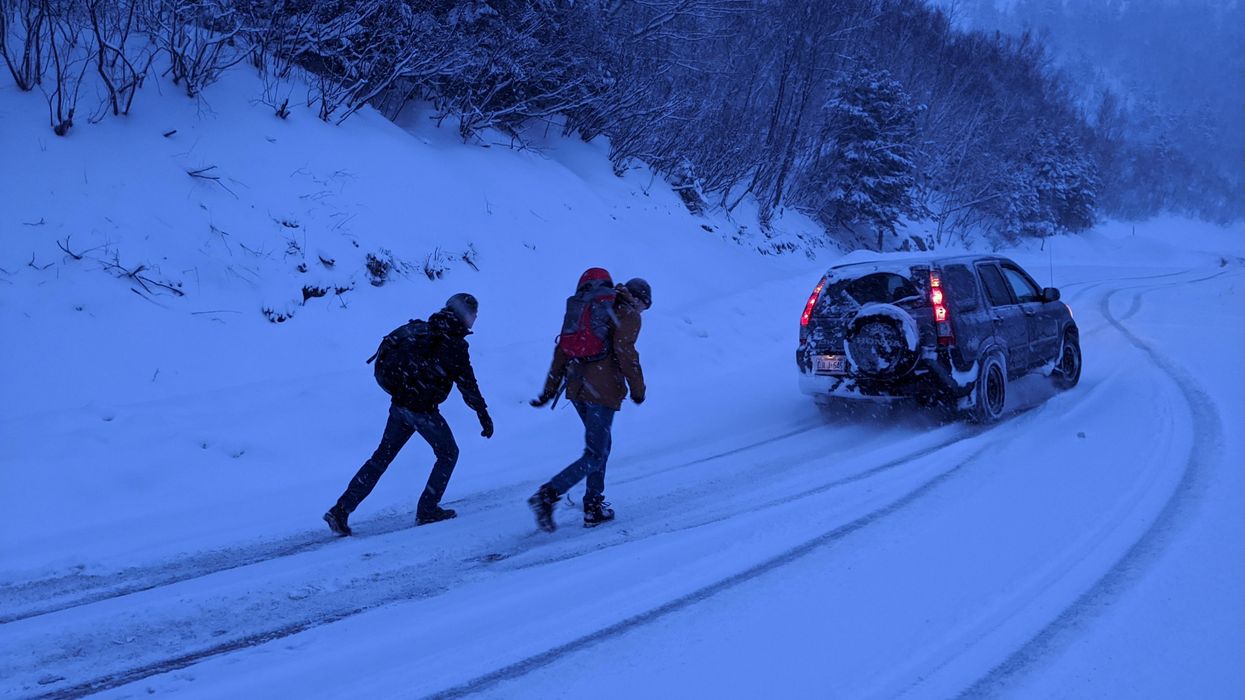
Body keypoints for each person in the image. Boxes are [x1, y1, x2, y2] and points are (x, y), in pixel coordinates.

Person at [324, 293, 493, 536]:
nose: (475, 318)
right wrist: (483, 414)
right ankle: (427, 509)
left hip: (400, 405)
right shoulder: (454, 343)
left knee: (381, 458)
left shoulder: (425, 328)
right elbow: (468, 384)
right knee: (448, 453)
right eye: (473, 314)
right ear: (464, 315)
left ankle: (341, 510)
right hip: (421, 410)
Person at [528, 271, 651, 531]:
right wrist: (638, 388)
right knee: (596, 452)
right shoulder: (627, 313)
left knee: (600, 447)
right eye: (645, 306)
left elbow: (561, 350)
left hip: (577, 387)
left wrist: (550, 389)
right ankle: (548, 495)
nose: (643, 311)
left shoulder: (588, 308)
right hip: (601, 389)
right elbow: (626, 353)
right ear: (639, 299)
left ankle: (594, 505)